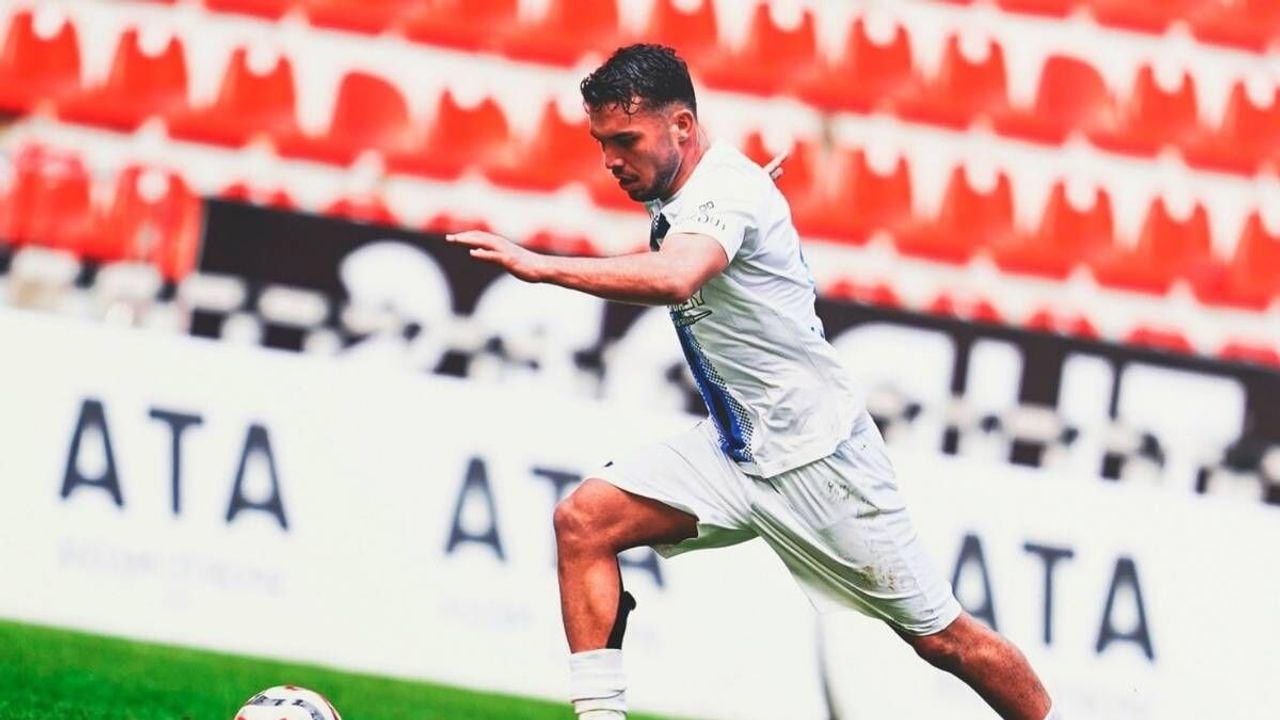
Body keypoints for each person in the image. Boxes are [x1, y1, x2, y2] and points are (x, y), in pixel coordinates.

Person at [447, 44, 1058, 720]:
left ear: (682, 125)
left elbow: (678, 274)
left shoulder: (726, 191)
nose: (611, 160)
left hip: (819, 462)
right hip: (736, 452)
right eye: (602, 143)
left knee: (946, 640)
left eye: (625, 140)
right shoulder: (701, 190)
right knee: (583, 522)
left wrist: (541, 267)